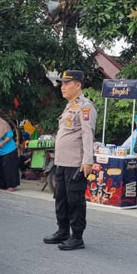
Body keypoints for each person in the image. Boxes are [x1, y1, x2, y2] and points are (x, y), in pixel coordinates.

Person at [43, 70, 97, 251]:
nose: (62, 87)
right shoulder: (69, 106)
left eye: (67, 83)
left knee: (75, 201)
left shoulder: (85, 107)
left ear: (78, 85)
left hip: (76, 163)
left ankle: (77, 237)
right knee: (61, 199)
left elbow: (87, 135)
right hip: (62, 162)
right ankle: (62, 231)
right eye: (62, 84)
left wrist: (88, 161)